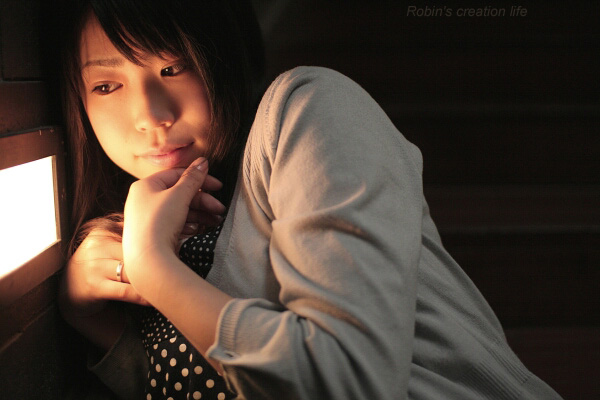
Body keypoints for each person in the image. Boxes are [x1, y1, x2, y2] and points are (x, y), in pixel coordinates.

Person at [56, 0, 563, 399]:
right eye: (107, 85)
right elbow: (199, 383)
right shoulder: (156, 222)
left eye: (173, 68)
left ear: (221, 56)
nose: (150, 115)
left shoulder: (311, 111)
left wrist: (153, 268)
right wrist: (94, 320)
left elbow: (349, 383)